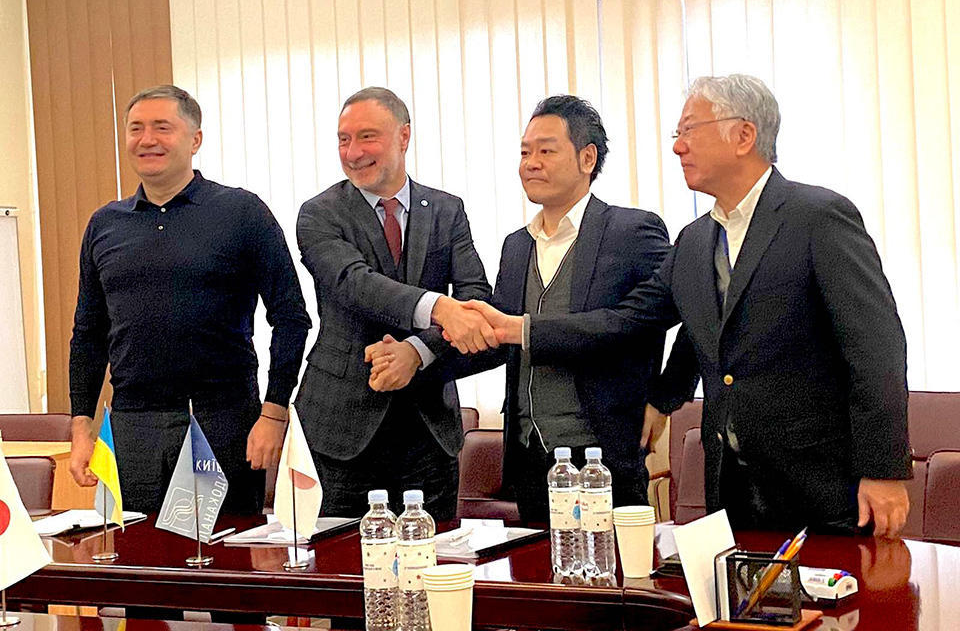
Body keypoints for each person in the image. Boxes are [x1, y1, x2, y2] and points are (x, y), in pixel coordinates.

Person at [463, 75, 912, 536]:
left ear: (743, 135)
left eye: (690, 131)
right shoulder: (695, 240)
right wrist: (662, 398)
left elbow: (876, 347)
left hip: (823, 484)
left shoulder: (817, 216)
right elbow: (646, 320)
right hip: (731, 484)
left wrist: (884, 469)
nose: (678, 147)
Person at [368, 95, 692, 523]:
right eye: (524, 152)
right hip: (531, 458)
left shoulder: (632, 230)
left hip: (604, 456)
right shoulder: (516, 245)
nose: (530, 162)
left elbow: (656, 318)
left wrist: (666, 398)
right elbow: (495, 339)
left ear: (587, 158)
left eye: (546, 150)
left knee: (611, 584)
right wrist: (418, 353)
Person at [69, 85, 311, 515]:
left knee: (219, 565)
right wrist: (81, 426)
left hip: (220, 421)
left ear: (195, 140)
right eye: (136, 129)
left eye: (163, 127)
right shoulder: (105, 224)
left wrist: (274, 412)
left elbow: (291, 317)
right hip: (131, 427)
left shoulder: (241, 212)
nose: (147, 140)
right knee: (135, 564)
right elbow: (88, 334)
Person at [294, 87, 493, 520]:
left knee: (432, 566)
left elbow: (477, 301)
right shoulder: (319, 214)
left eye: (367, 137)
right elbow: (353, 283)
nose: (353, 152)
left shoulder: (446, 209)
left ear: (404, 137)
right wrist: (439, 308)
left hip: (428, 431)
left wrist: (417, 352)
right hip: (341, 430)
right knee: (341, 570)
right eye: (343, 139)